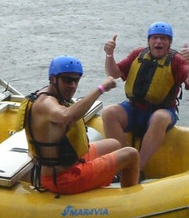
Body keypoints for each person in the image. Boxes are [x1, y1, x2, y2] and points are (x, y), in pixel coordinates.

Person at [23, 55, 140, 193]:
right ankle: (130, 201)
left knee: (113, 144)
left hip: (70, 163)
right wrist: (101, 89)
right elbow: (67, 116)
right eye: (67, 80)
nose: (72, 85)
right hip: (64, 179)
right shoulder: (45, 103)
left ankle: (103, 178)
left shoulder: (51, 94)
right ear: (53, 79)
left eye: (76, 80)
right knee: (131, 154)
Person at [101, 21, 189, 172]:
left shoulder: (176, 60)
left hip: (163, 110)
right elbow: (113, 73)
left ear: (169, 43)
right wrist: (109, 54)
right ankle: (122, 165)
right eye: (154, 38)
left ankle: (137, 168)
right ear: (149, 41)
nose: (158, 41)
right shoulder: (138, 54)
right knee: (109, 112)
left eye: (163, 38)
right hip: (134, 108)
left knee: (159, 118)